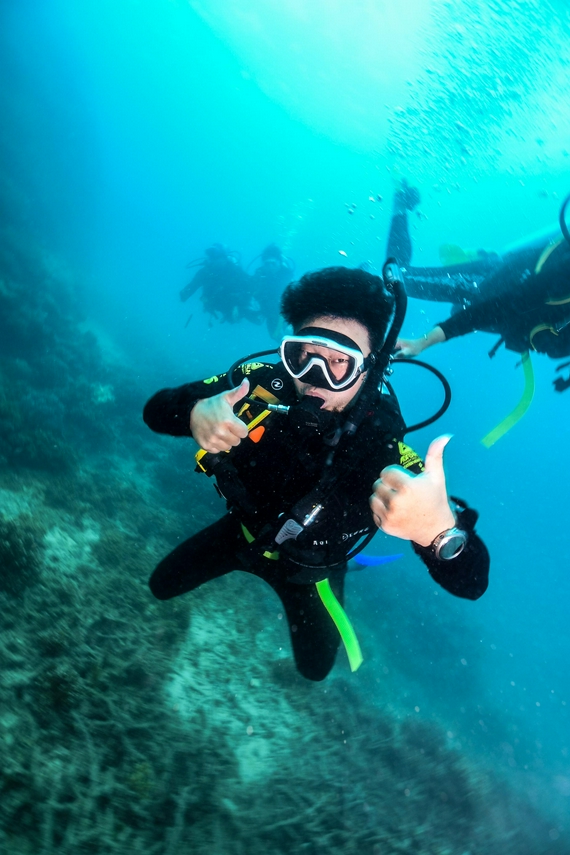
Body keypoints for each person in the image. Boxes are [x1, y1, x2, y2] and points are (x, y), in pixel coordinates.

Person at [143, 266, 489, 681]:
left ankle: (347, 570)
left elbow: (472, 583)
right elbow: (155, 411)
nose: (314, 380)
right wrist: (196, 412)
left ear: (371, 368)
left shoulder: (384, 449)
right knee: (160, 586)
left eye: (340, 363)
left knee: (315, 669)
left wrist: (438, 532)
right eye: (304, 356)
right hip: (241, 533)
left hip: (311, 572)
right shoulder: (257, 388)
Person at [388, 182, 570, 391]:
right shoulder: (565, 275)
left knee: (460, 308)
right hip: (491, 284)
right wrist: (423, 341)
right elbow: (499, 306)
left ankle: (484, 259)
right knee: (400, 278)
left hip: (513, 323)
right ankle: (401, 206)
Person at [179, 243, 259, 325]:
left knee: (239, 314)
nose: (212, 258)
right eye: (210, 255)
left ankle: (247, 310)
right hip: (216, 303)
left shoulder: (233, 269)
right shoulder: (205, 271)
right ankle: (242, 312)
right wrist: (185, 293)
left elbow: (250, 284)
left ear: (224, 257)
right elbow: (193, 284)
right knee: (230, 316)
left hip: (235, 301)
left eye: (215, 255)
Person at [250, 243, 295, 340]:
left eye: (273, 263)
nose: (270, 267)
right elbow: (250, 292)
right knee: (276, 338)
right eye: (267, 264)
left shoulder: (286, 276)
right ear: (263, 264)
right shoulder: (259, 276)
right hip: (269, 313)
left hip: (287, 313)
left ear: (279, 262)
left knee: (293, 334)